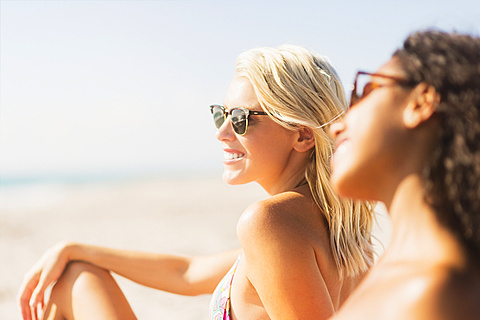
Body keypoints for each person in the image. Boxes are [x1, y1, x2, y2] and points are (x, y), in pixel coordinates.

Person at [18, 45, 374, 320]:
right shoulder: (346, 235)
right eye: (220, 114)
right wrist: (77, 248)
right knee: (76, 270)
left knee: (68, 282)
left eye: (240, 119)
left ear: (302, 136)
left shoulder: (271, 222)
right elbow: (187, 274)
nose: (221, 132)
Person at [329, 30, 480, 320]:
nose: (336, 126)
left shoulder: (433, 293)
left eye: (366, 91)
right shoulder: (398, 270)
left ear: (422, 102)